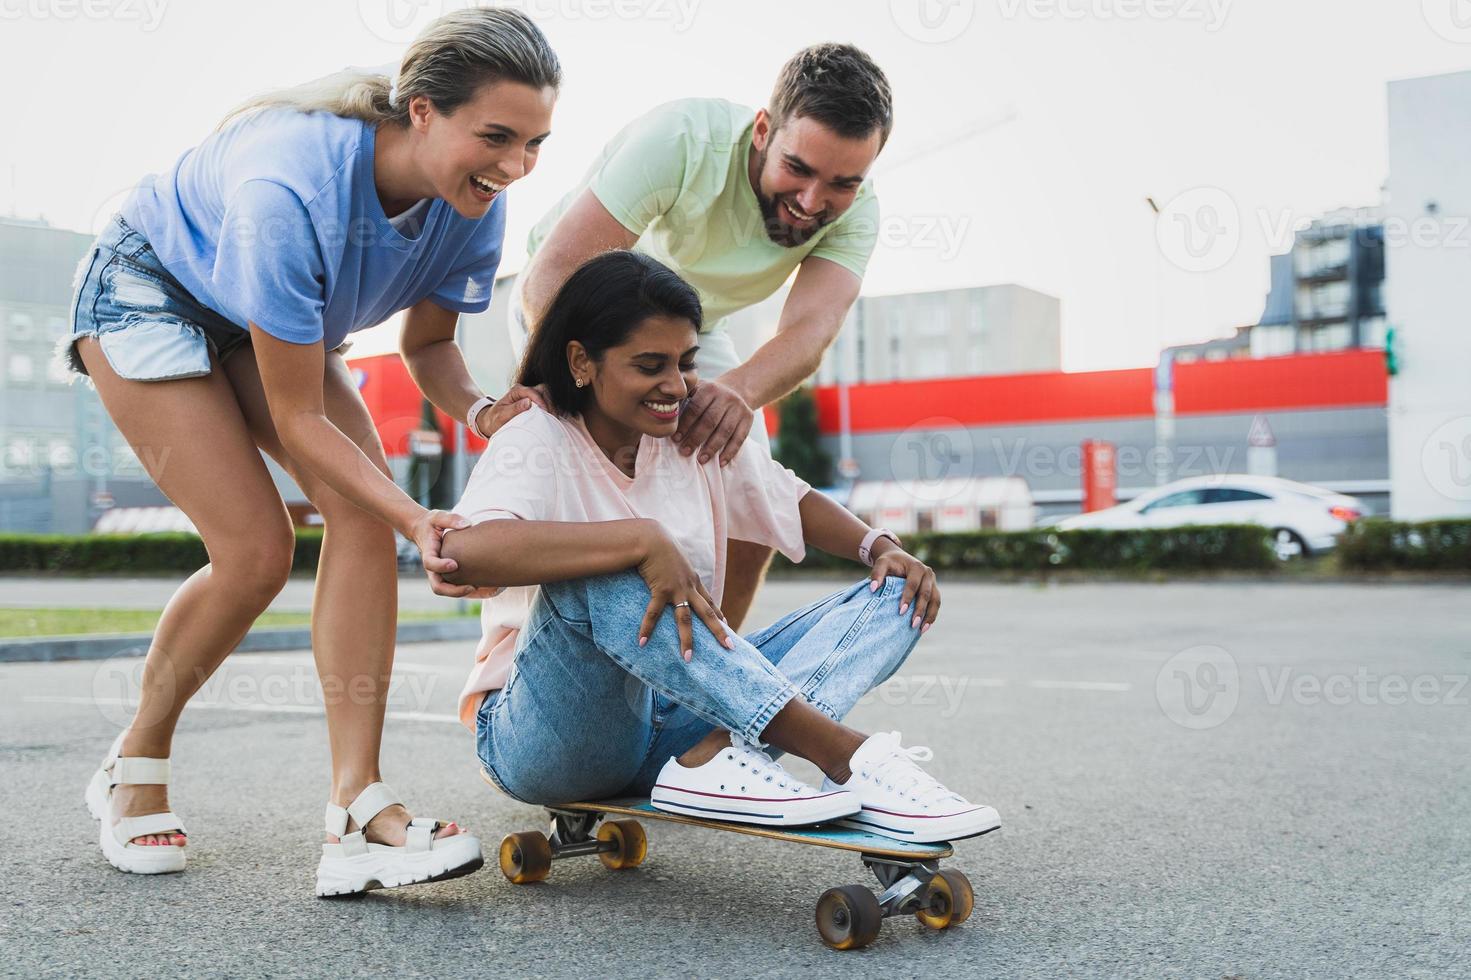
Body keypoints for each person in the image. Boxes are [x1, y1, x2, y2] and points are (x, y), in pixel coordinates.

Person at [67, 8, 559, 894]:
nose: (514, 165)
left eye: (534, 144)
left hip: (262, 317)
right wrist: (415, 516)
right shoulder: (288, 188)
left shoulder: (476, 204)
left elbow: (431, 348)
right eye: (496, 137)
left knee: (361, 519)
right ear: (420, 109)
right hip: (152, 289)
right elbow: (300, 420)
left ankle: (357, 813)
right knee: (256, 553)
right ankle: (134, 761)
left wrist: (482, 411)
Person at [442, 251, 999, 843]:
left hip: (676, 718)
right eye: (650, 365)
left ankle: (716, 753)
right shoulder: (536, 435)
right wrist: (638, 539)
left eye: (685, 363)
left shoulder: (689, 434)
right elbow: (465, 552)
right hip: (548, 737)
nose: (676, 386)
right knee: (604, 571)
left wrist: (878, 545)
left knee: (898, 593)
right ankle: (847, 758)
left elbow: (789, 497)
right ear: (582, 361)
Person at [511, 43, 891, 633]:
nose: (812, 202)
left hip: (695, 330)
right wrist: (570, 392)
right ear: (764, 130)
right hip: (573, 308)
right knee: (590, 479)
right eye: (799, 169)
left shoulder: (858, 212)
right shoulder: (682, 139)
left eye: (841, 183)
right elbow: (552, 277)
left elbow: (809, 332)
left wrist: (733, 393)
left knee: (750, 498)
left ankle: (710, 693)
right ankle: (516, 660)